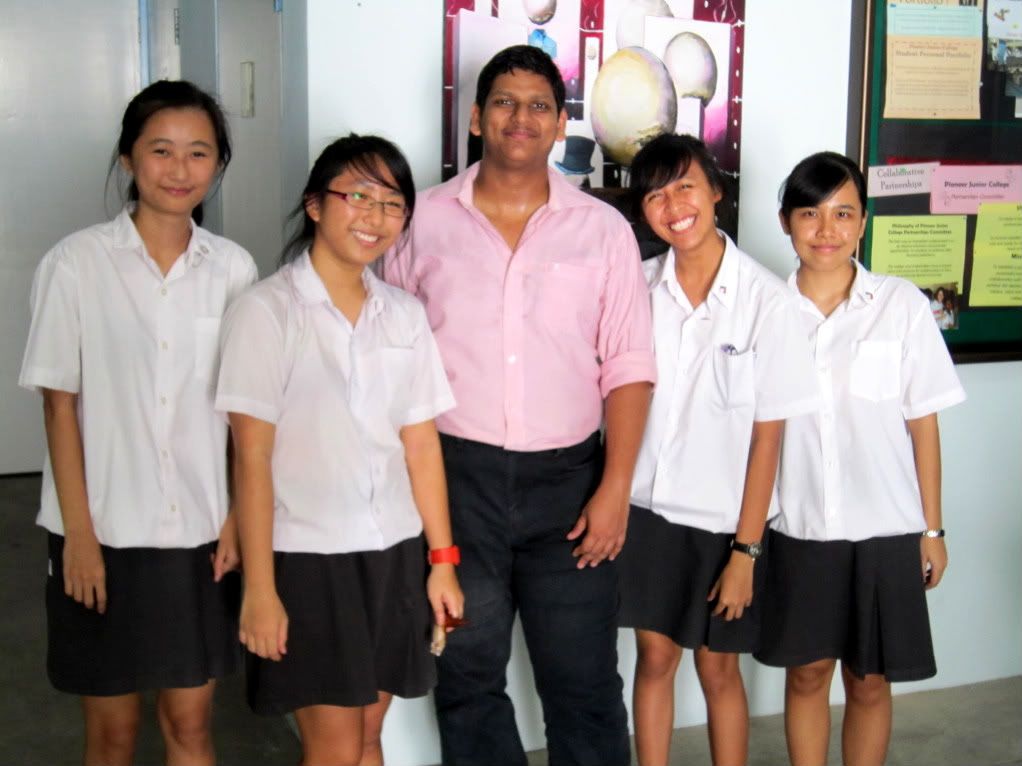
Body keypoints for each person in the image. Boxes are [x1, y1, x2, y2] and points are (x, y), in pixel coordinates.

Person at [384, 45, 655, 766]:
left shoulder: (601, 230)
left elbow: (629, 367)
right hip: (455, 482)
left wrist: (615, 489)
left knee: (584, 682)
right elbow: (385, 351)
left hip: (571, 487)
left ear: (561, 124)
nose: (521, 117)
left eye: (539, 105)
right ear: (477, 117)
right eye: (505, 101)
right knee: (466, 677)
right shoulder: (421, 220)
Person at [19, 80, 257, 766]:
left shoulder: (233, 270)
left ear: (217, 164)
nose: (179, 169)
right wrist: (80, 537)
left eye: (198, 153)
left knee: (190, 727)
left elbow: (243, 416)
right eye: (161, 150)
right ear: (128, 157)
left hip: (200, 535)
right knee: (112, 734)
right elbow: (59, 406)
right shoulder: (75, 264)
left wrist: (237, 520)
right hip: (102, 533)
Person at [216, 134, 464, 766]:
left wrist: (442, 561)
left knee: (369, 736)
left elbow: (421, 446)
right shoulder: (266, 311)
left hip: (394, 553)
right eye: (358, 196)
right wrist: (260, 589)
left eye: (392, 203)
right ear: (315, 205)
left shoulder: (404, 314)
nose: (375, 216)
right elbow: (251, 458)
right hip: (307, 560)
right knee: (333, 747)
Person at [756, 151, 966, 766]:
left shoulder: (900, 305)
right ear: (785, 221)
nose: (827, 230)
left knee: (870, 680)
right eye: (810, 214)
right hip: (798, 527)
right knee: (807, 674)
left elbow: (923, 426)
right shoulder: (765, 310)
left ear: (863, 222)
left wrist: (933, 530)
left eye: (843, 213)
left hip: (885, 530)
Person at [615, 133, 819, 766]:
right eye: (656, 195)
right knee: (654, 658)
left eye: (686, 187)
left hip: (726, 523)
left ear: (716, 193)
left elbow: (768, 437)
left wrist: (745, 552)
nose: (673, 206)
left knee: (717, 668)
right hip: (648, 513)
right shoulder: (636, 288)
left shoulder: (768, 301)